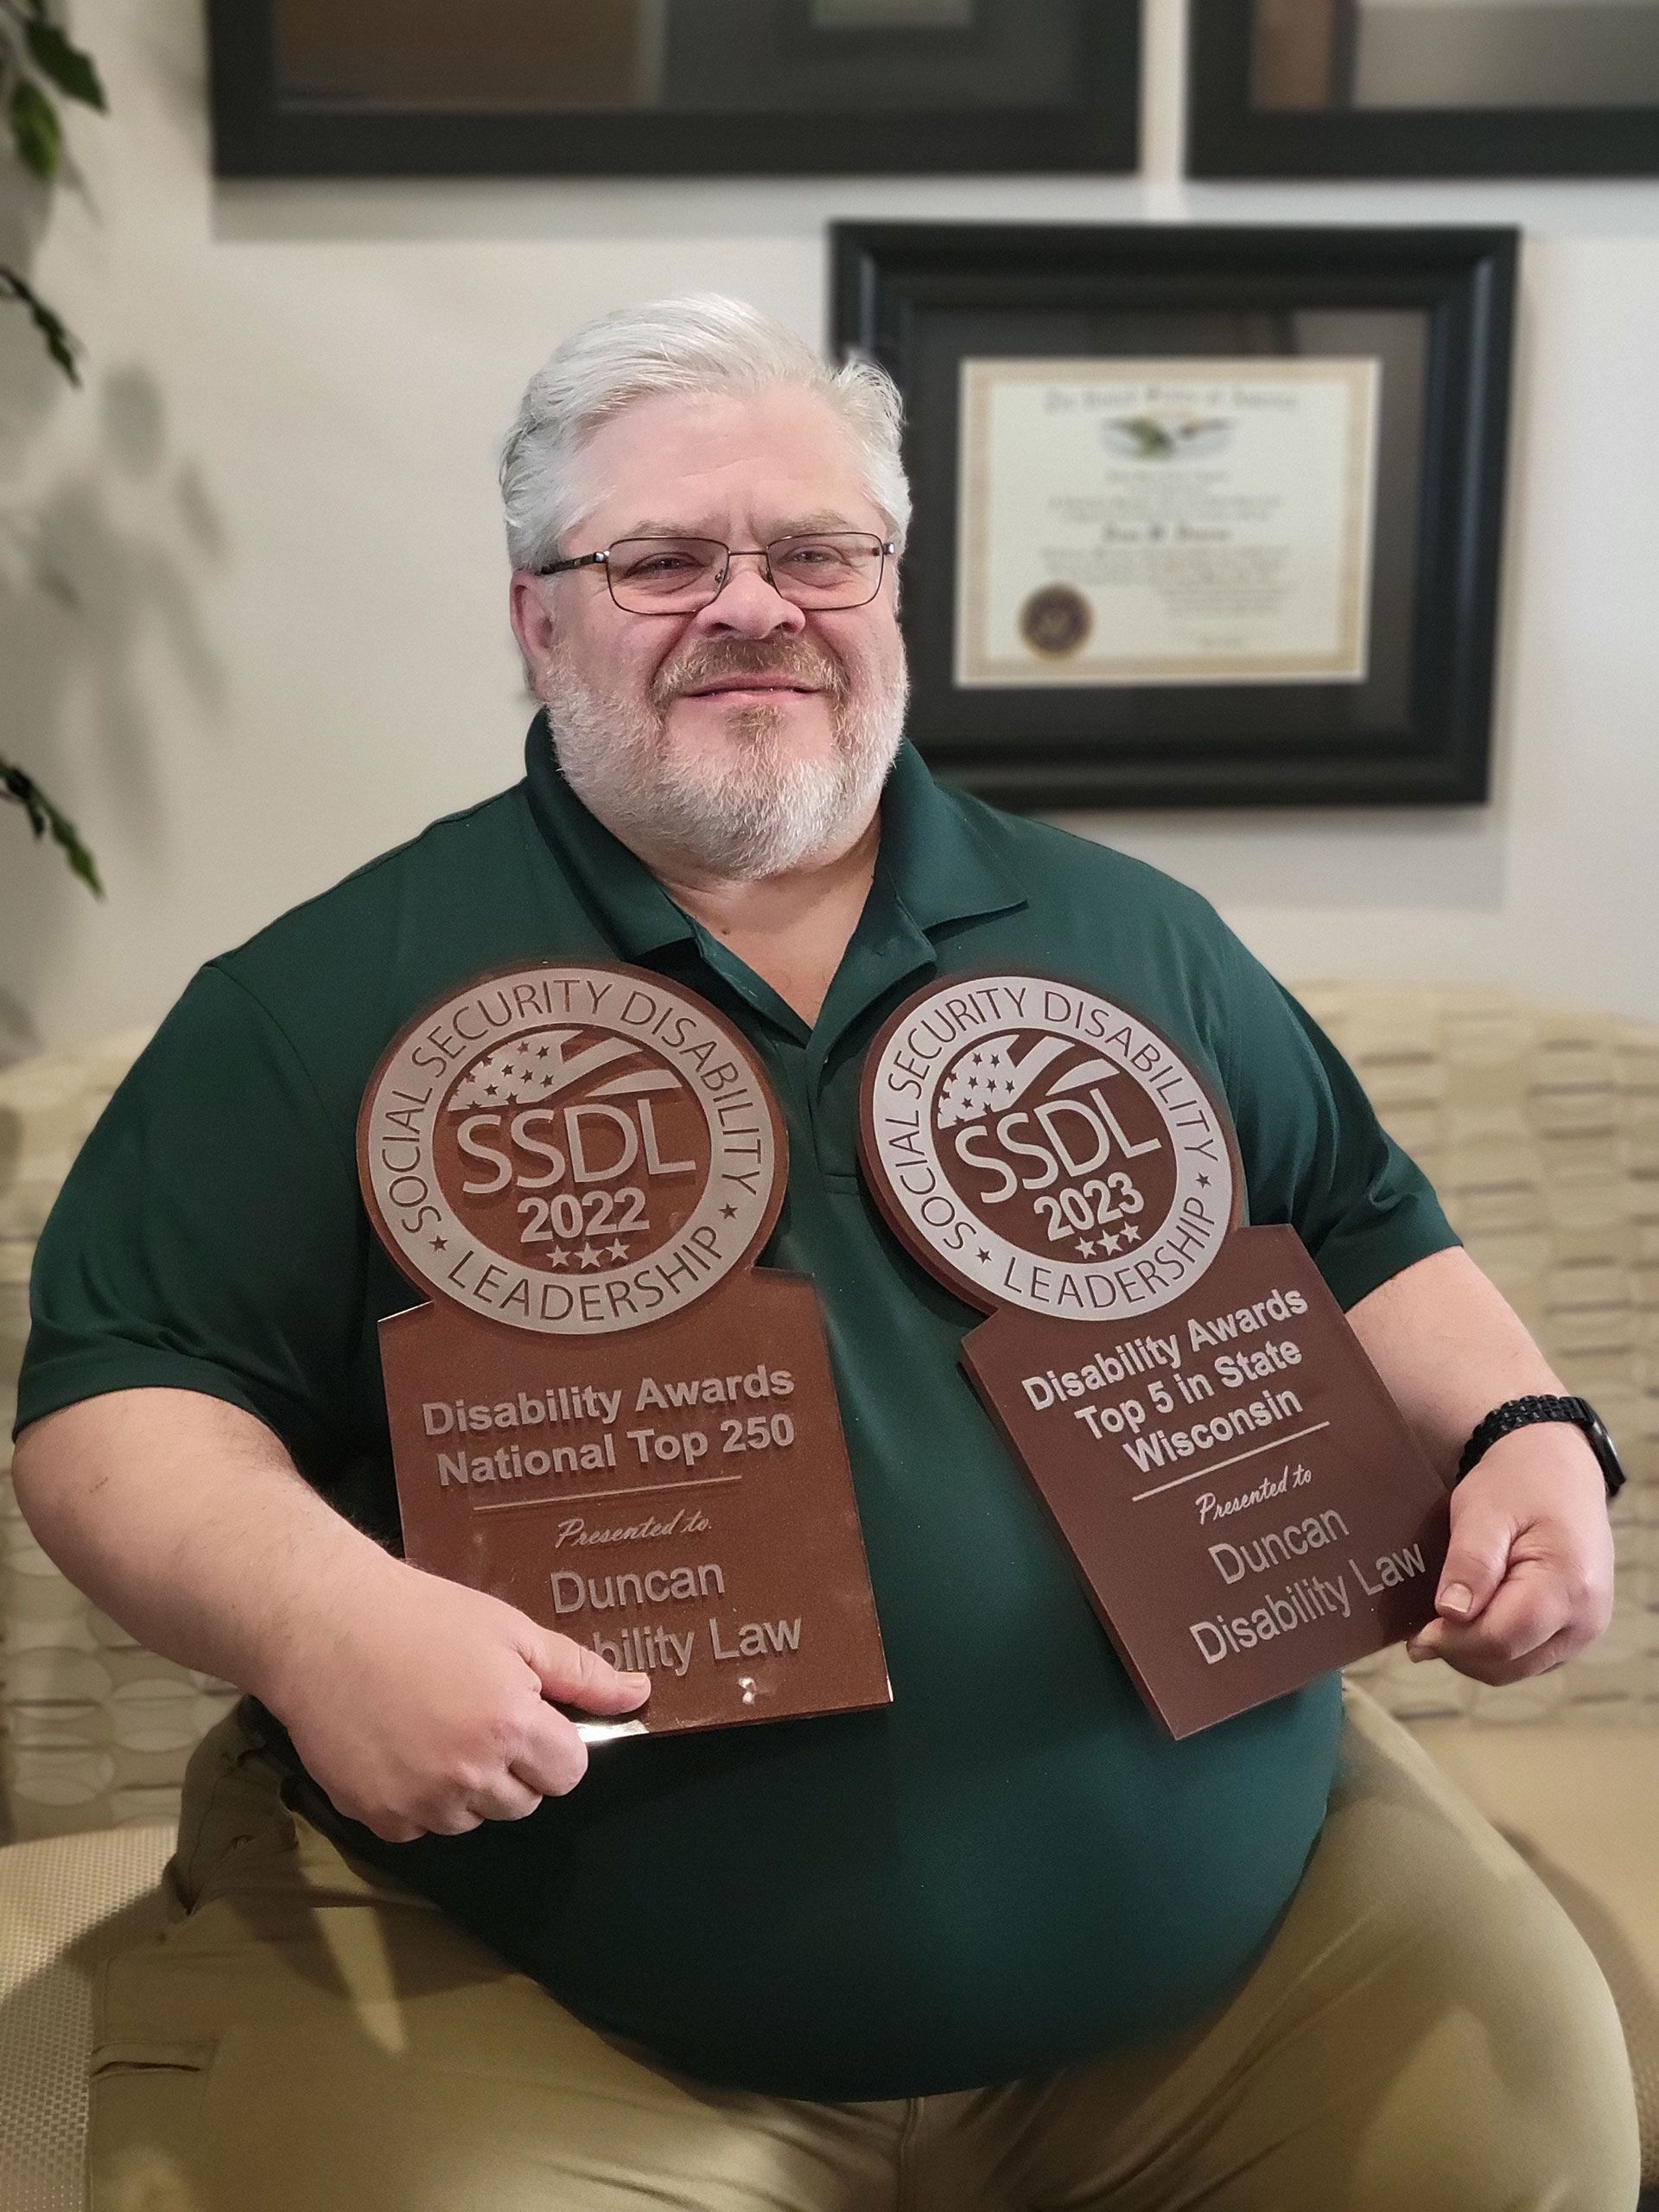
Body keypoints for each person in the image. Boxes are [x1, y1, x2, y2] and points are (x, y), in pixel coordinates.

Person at [10, 296, 1639, 2212]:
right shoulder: (319, 998)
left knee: (1525, 2148)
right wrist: (317, 1618)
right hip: (542, 1981)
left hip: (1249, 1936)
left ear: (890, 595)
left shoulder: (1136, 936)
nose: (753, 605)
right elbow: (124, 1398)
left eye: (817, 552)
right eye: (663, 559)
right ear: (537, 617)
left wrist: (1527, 1422)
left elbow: (1364, 1224)